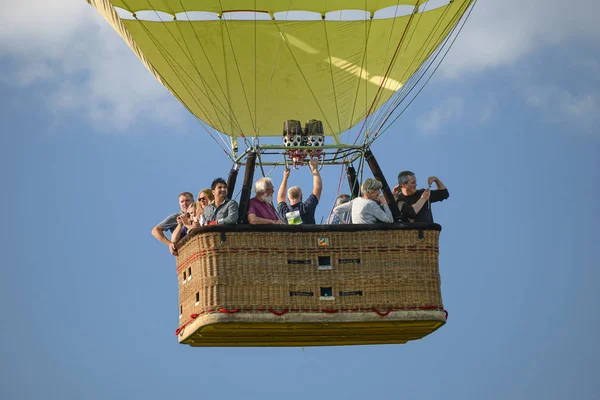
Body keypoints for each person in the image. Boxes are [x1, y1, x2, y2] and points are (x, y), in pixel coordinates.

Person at [276, 157, 322, 224]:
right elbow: (318, 188)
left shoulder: (285, 213)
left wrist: (285, 178)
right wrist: (314, 169)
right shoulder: (306, 208)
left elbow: (281, 197)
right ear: (301, 196)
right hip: (309, 234)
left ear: (288, 199)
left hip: (294, 234)